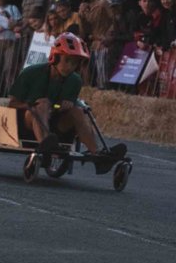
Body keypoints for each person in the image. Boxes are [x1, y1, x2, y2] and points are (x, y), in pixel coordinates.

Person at [8, 33, 125, 171]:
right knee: (43, 104)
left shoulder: (75, 80)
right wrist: (31, 105)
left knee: (78, 111)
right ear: (55, 58)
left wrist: (67, 106)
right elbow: (12, 104)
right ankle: (46, 147)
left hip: (56, 124)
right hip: (27, 123)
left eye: (74, 63)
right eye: (67, 61)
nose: (70, 66)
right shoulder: (31, 73)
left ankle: (98, 155)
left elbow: (66, 109)